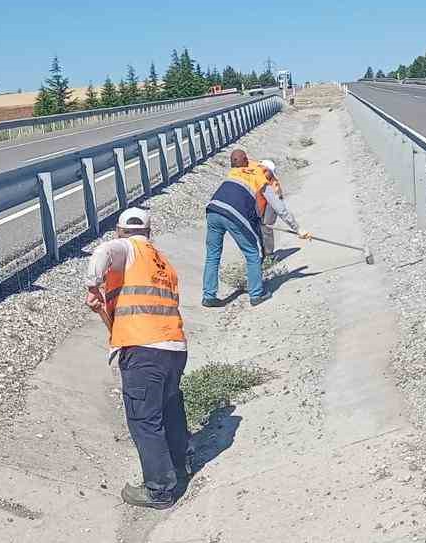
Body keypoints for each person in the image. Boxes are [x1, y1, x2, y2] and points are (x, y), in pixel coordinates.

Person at [85, 207, 191, 509]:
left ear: (120, 231)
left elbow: (104, 252)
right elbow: (135, 313)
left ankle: (159, 490)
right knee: (169, 410)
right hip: (174, 348)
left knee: (144, 420)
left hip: (144, 351)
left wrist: (92, 284)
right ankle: (180, 467)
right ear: (149, 232)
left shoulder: (127, 248)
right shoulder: (162, 263)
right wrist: (102, 308)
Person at [203, 149, 305, 307]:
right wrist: (298, 229)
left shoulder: (234, 171)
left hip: (213, 209)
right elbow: (279, 207)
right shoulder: (258, 175)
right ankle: (256, 294)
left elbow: (240, 161)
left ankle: (208, 296)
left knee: (212, 255)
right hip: (232, 214)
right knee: (252, 254)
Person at [258, 158, 284, 261]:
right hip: (261, 202)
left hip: (272, 204)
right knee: (259, 228)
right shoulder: (257, 175)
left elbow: (276, 200)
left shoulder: (273, 183)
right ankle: (262, 253)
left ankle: (269, 255)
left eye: (265, 171)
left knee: (266, 227)